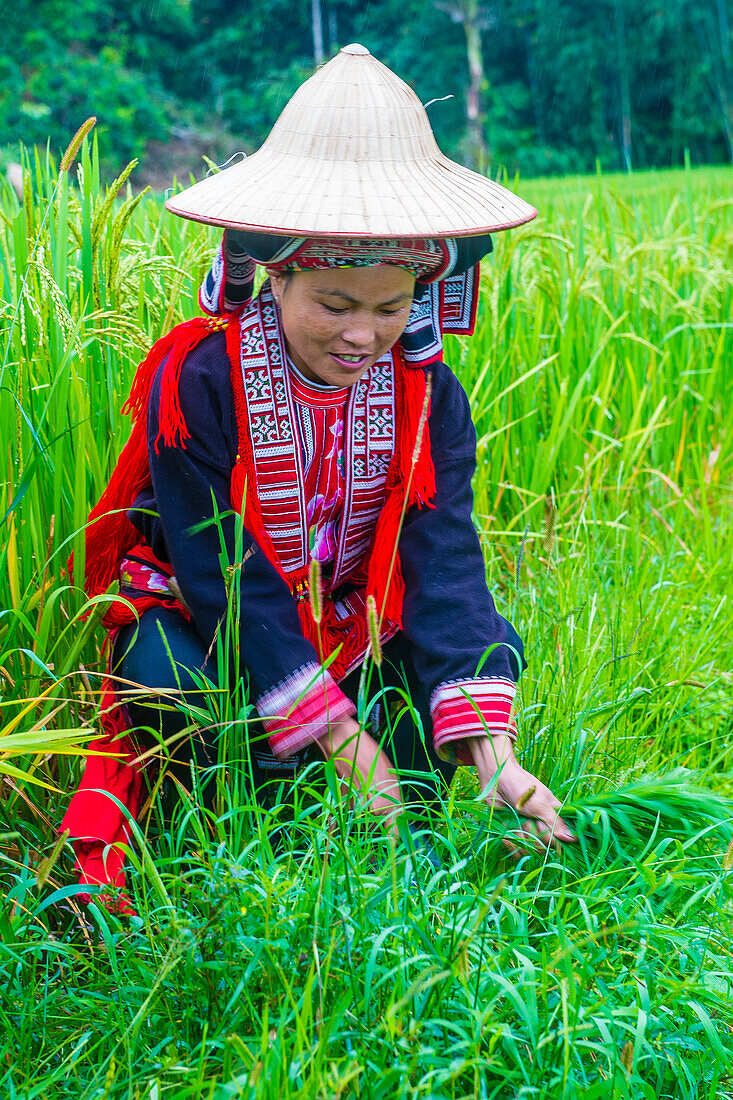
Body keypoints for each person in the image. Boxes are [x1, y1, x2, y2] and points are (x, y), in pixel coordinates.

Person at [61, 44, 575, 915]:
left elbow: (442, 557)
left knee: (485, 648)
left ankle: (397, 800)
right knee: (162, 671)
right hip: (218, 618)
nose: (361, 335)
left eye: (389, 307)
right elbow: (219, 567)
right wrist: (341, 736)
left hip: (344, 619)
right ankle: (223, 811)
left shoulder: (426, 396)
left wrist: (498, 758)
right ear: (276, 271)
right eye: (333, 306)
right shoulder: (203, 380)